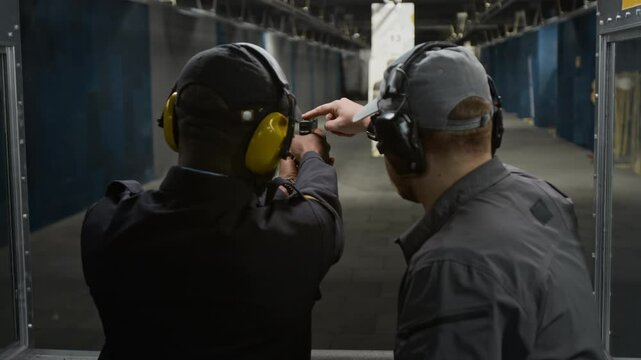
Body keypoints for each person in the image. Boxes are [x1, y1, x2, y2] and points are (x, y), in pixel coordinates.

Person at [304, 42, 603, 359]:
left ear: (402, 146)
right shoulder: (541, 195)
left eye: (385, 136)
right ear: (494, 125)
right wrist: (372, 122)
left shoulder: (453, 268)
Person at [81, 43, 342, 360]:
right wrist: (311, 154)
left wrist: (282, 185)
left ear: (173, 123)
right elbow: (321, 205)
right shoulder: (298, 237)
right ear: (269, 137)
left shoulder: (106, 222)